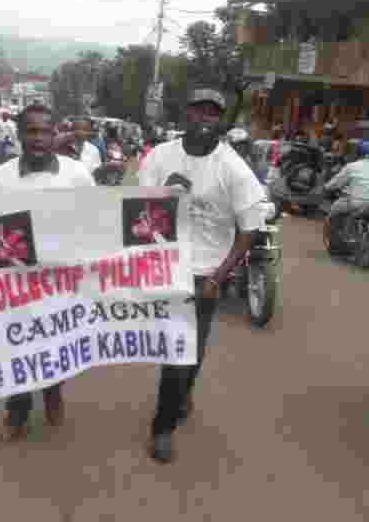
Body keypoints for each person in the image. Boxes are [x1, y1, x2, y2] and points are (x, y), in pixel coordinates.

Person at [138, 88, 267, 463]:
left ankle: (163, 427)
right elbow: (139, 209)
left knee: (184, 355)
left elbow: (249, 229)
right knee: (174, 350)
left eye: (213, 113)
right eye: (198, 111)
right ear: (186, 115)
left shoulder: (234, 169)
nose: (205, 119)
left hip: (204, 275)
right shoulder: (160, 157)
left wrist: (219, 277)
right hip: (162, 268)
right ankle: (175, 402)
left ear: (221, 121)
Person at [0, 103, 95, 443]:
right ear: (19, 135)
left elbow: (95, 220)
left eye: (45, 131)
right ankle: (16, 413)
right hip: (16, 283)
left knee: (57, 344)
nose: (38, 138)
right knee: (17, 347)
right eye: (31, 131)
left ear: (54, 133)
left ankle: (53, 391)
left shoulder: (77, 175)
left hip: (62, 281)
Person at [324, 140, 369, 246]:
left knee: (333, 211)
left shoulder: (351, 166)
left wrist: (326, 187)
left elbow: (335, 183)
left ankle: (337, 240)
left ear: (358, 153)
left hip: (354, 203)